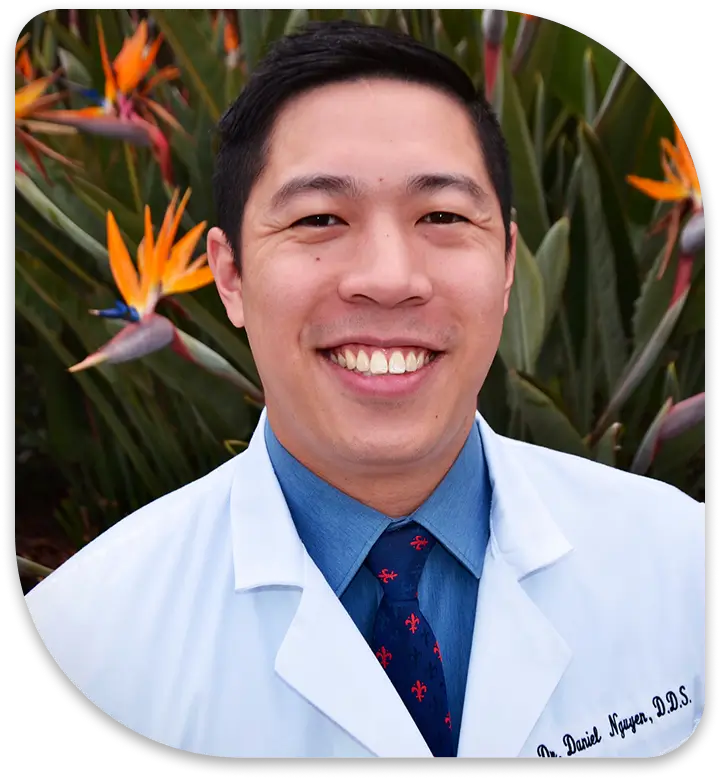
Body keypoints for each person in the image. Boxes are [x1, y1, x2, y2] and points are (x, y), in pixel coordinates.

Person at [24, 19, 705, 759]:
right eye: (320, 218)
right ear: (229, 276)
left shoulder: (680, 568)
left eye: (441, 216)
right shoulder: (80, 639)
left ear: (508, 262)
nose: (388, 278)